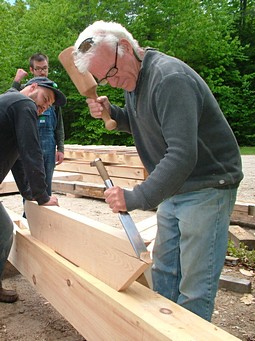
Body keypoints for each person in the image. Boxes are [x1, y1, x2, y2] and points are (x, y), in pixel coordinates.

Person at [73, 20, 243, 321]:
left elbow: (181, 154)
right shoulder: (132, 79)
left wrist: (136, 197)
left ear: (124, 48)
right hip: (176, 188)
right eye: (103, 78)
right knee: (164, 271)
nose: (110, 82)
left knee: (195, 287)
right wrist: (114, 114)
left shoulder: (168, 78)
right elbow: (147, 122)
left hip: (207, 186)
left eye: (110, 73)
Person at [0, 77, 67, 303]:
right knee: (3, 232)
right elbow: (31, 152)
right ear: (33, 86)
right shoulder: (23, 104)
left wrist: (28, 193)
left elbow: (18, 160)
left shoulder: (12, 104)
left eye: (48, 106)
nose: (44, 106)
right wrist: (42, 196)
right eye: (45, 99)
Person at [12, 53, 65, 196]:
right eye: (38, 69)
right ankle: (28, 214)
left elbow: (59, 124)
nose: (42, 72)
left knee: (46, 181)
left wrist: (60, 148)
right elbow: (9, 100)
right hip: (28, 141)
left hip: (48, 142)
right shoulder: (26, 90)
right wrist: (16, 81)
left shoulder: (52, 94)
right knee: (29, 182)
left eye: (45, 68)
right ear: (32, 70)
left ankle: (44, 211)